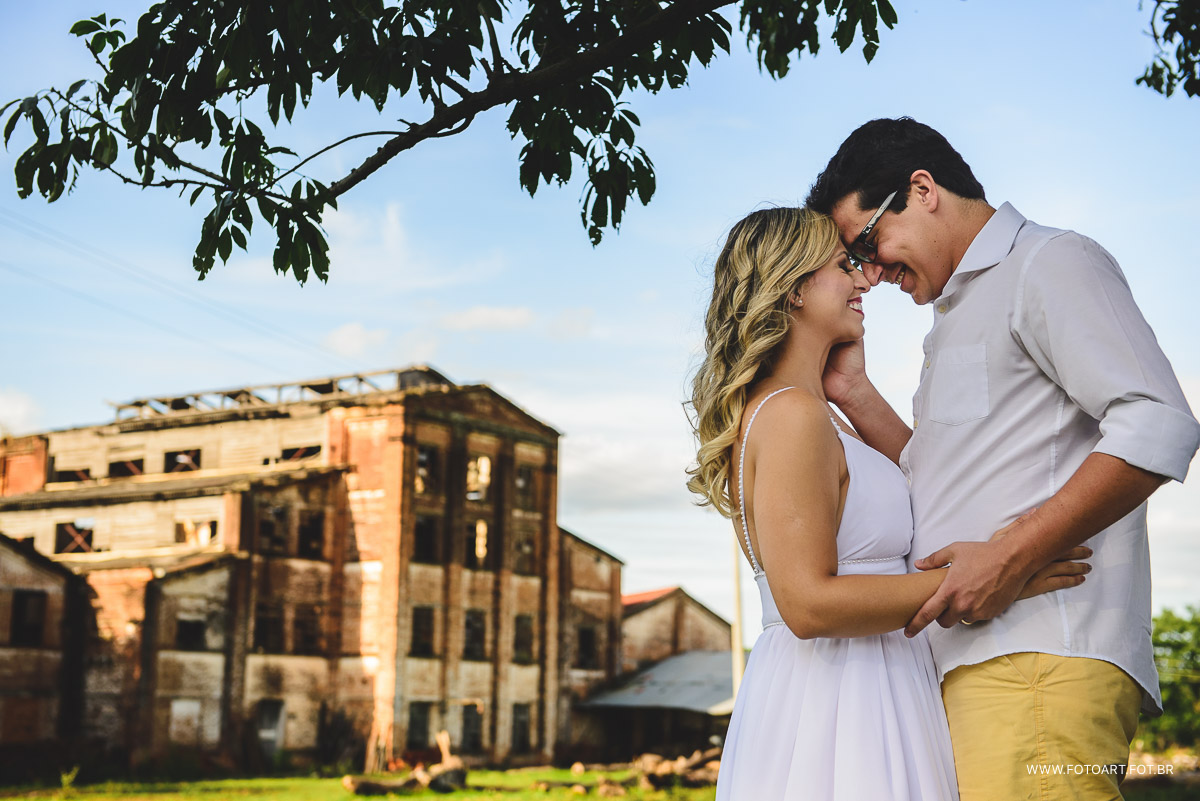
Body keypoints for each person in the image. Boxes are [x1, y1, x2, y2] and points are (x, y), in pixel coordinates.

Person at [805, 117, 1200, 801]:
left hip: (1038, 661)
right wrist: (857, 395)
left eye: (867, 242)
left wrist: (1013, 552)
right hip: (985, 667)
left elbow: (1158, 421)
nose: (870, 273)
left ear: (922, 188)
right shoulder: (961, 307)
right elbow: (946, 480)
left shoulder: (1048, 263)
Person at [685, 206, 1090, 800]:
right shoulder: (793, 416)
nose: (861, 281)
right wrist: (983, 575)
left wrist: (853, 390)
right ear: (794, 289)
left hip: (873, 678)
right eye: (841, 265)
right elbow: (808, 604)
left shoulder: (813, 414)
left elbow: (925, 487)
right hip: (840, 698)